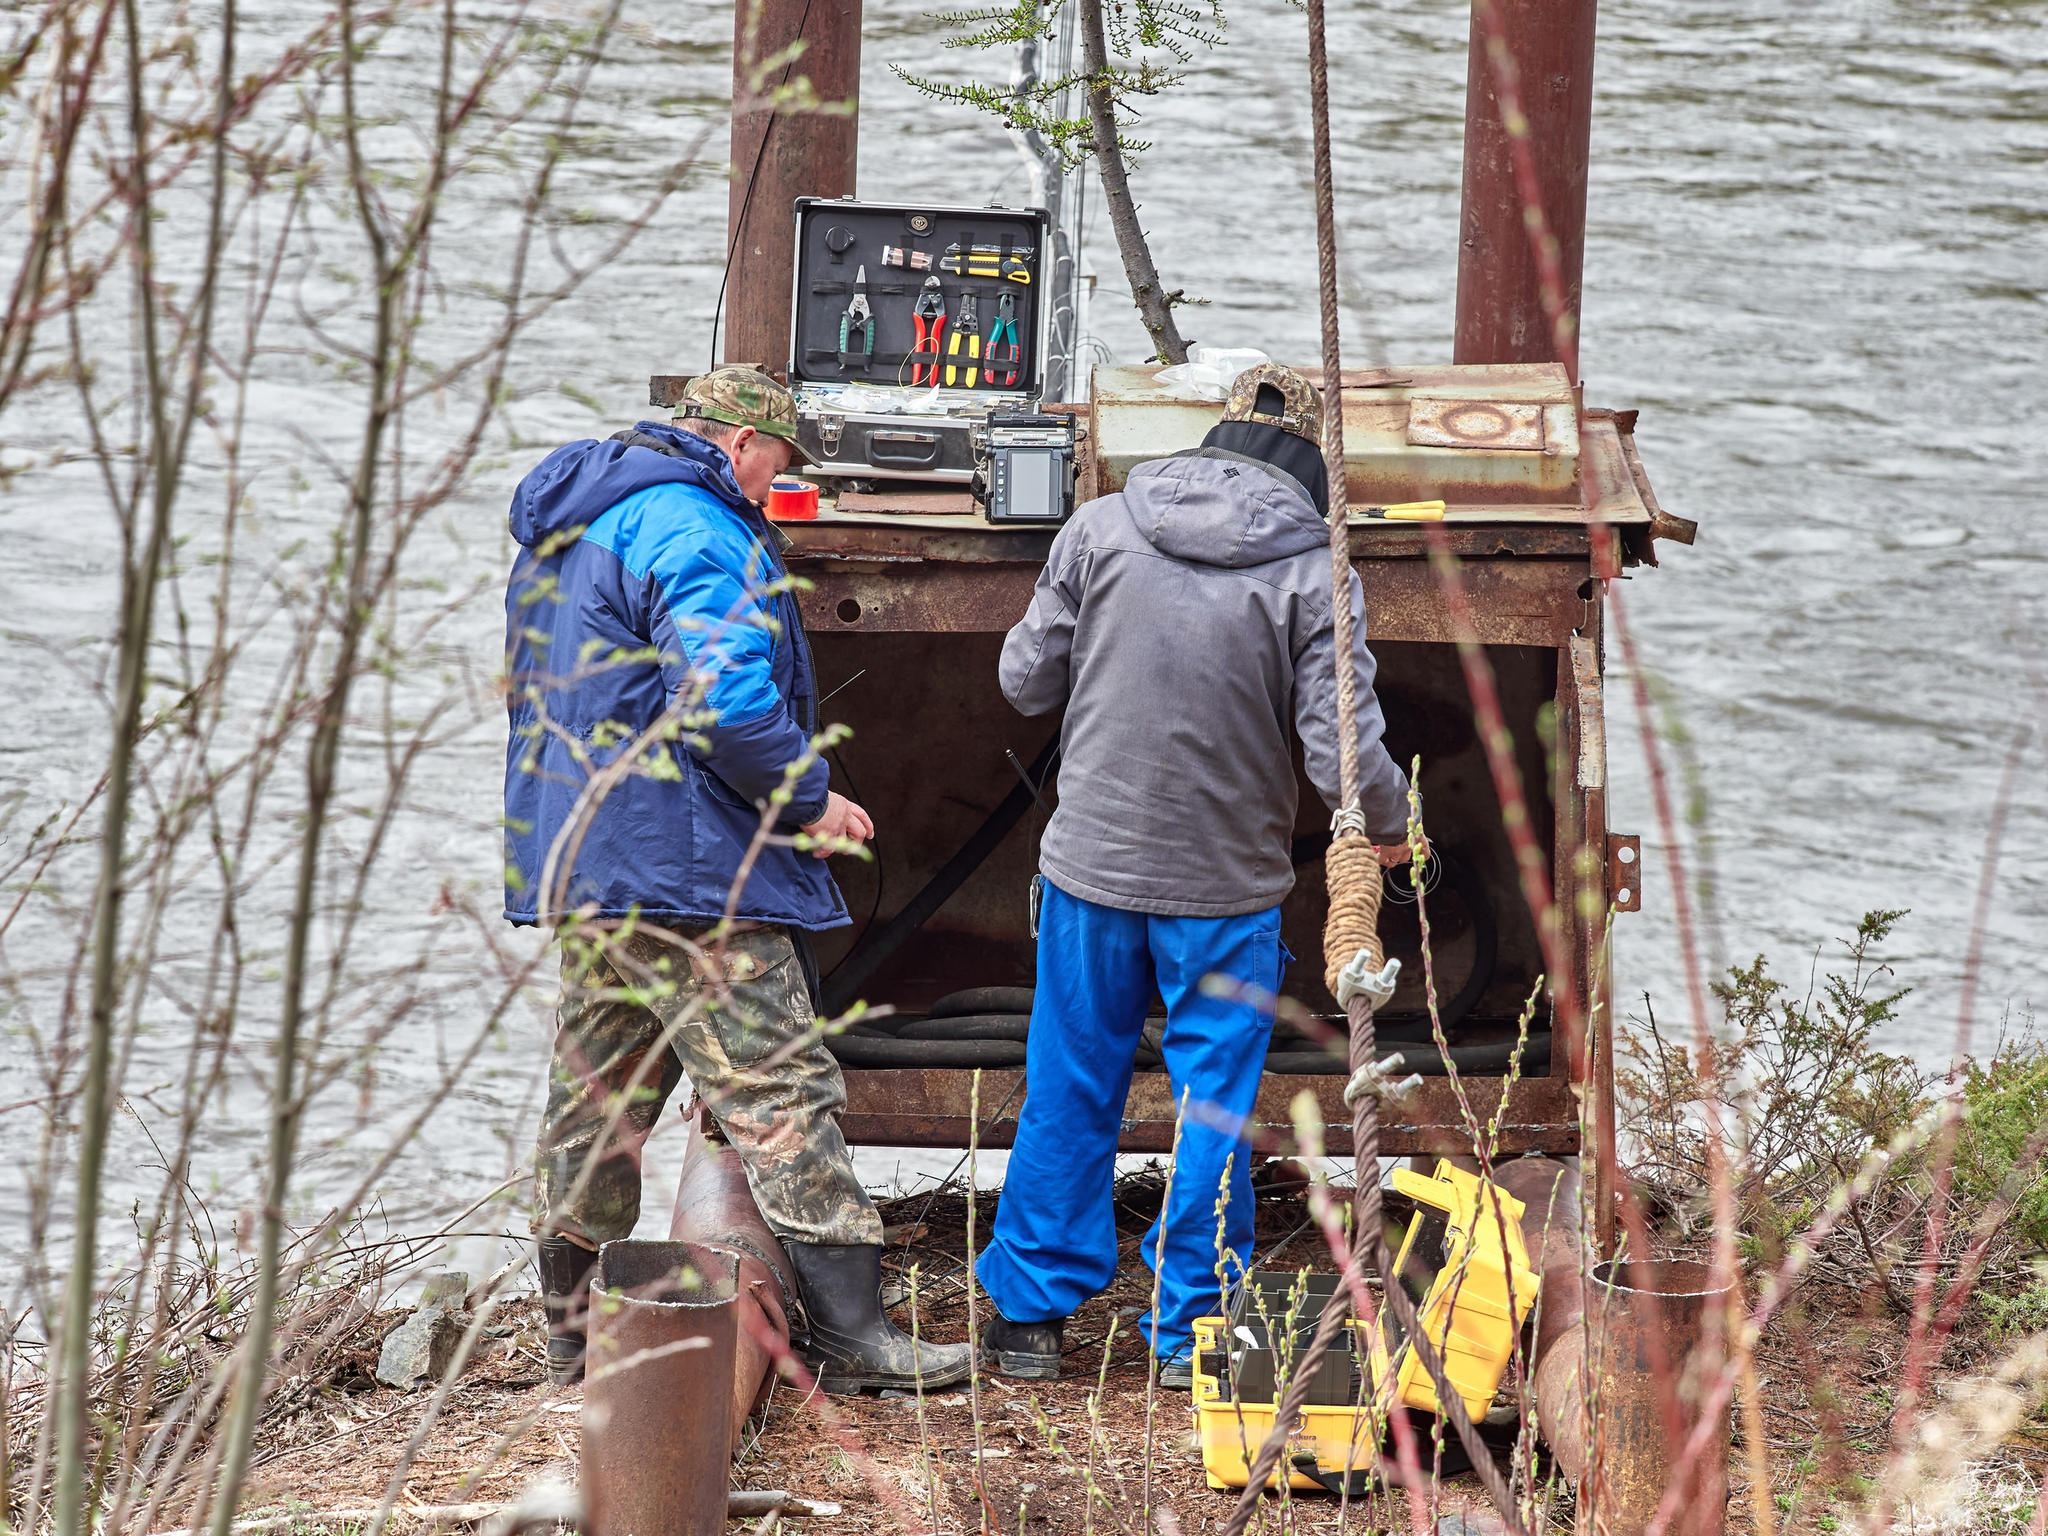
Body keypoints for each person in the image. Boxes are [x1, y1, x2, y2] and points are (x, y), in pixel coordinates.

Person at [501, 365, 972, 1394]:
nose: (774, 487)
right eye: (778, 465)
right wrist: (809, 800)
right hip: (686, 870)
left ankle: (570, 1341)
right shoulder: (695, 527)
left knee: (599, 1098)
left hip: (594, 858)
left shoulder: (582, 522)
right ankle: (857, 1340)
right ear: (742, 445)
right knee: (778, 1090)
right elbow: (723, 705)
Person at [976, 364, 1419, 1388]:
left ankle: (1028, 1326)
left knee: (1069, 1083)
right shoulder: (1319, 570)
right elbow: (1336, 753)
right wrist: (1391, 832)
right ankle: (1192, 1337)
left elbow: (1020, 679)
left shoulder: (1097, 528)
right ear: (1313, 469)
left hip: (1088, 871)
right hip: (1224, 893)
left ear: (1210, 440)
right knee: (1210, 1102)